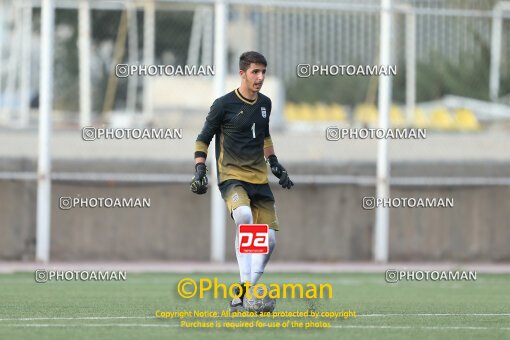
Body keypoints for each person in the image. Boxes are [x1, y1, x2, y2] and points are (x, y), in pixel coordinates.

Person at [190, 51, 294, 311]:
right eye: (255, 72)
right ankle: (248, 294)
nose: (260, 77)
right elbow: (203, 138)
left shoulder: (266, 104)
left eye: (263, 72)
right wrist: (199, 169)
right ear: (242, 73)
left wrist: (275, 163)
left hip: (259, 180)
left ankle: (244, 292)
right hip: (232, 176)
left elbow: (265, 136)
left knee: (268, 241)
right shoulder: (223, 105)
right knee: (244, 216)